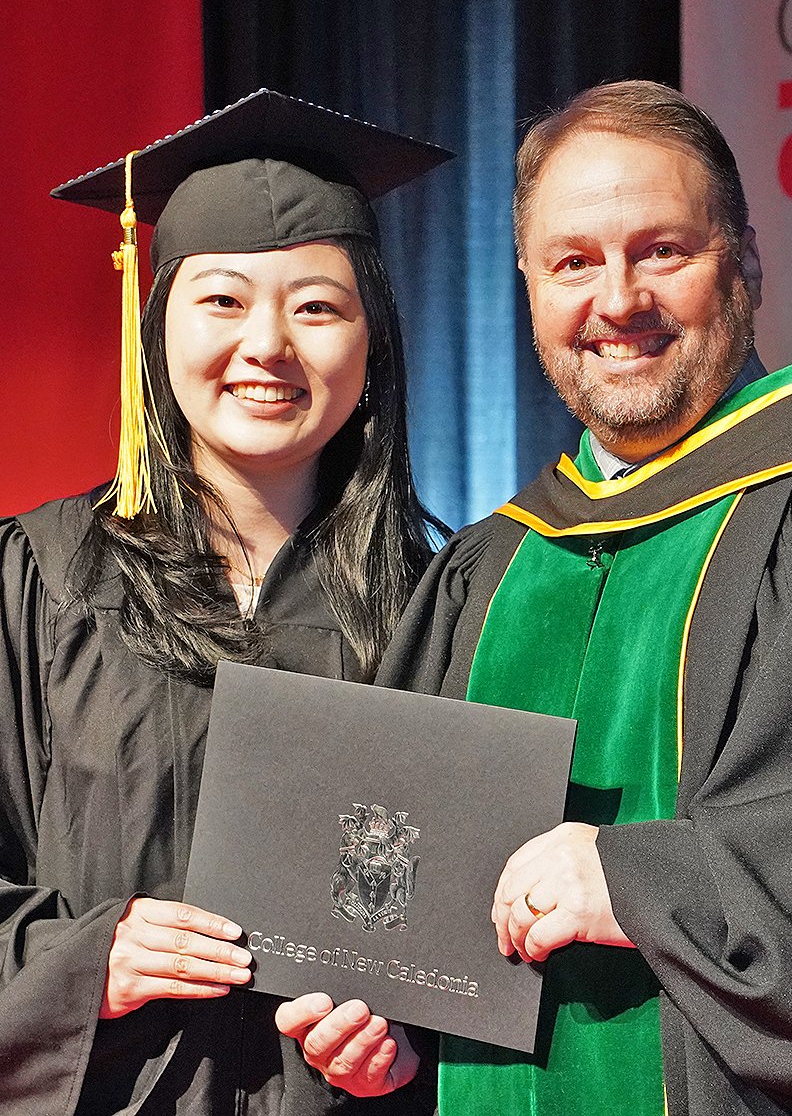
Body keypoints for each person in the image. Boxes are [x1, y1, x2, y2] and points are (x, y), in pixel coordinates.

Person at [279, 81, 792, 1115]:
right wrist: (383, 1035)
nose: (617, 300)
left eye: (662, 250)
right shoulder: (487, 568)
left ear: (744, 258)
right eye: (572, 262)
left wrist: (643, 883)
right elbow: (399, 908)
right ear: (526, 282)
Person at [0, 90, 450, 1114]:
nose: (268, 344)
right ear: (155, 329)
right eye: (222, 300)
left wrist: (403, 1053)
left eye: (317, 307)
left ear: (373, 344)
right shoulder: (39, 582)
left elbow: (475, 928)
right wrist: (81, 963)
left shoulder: (442, 605)